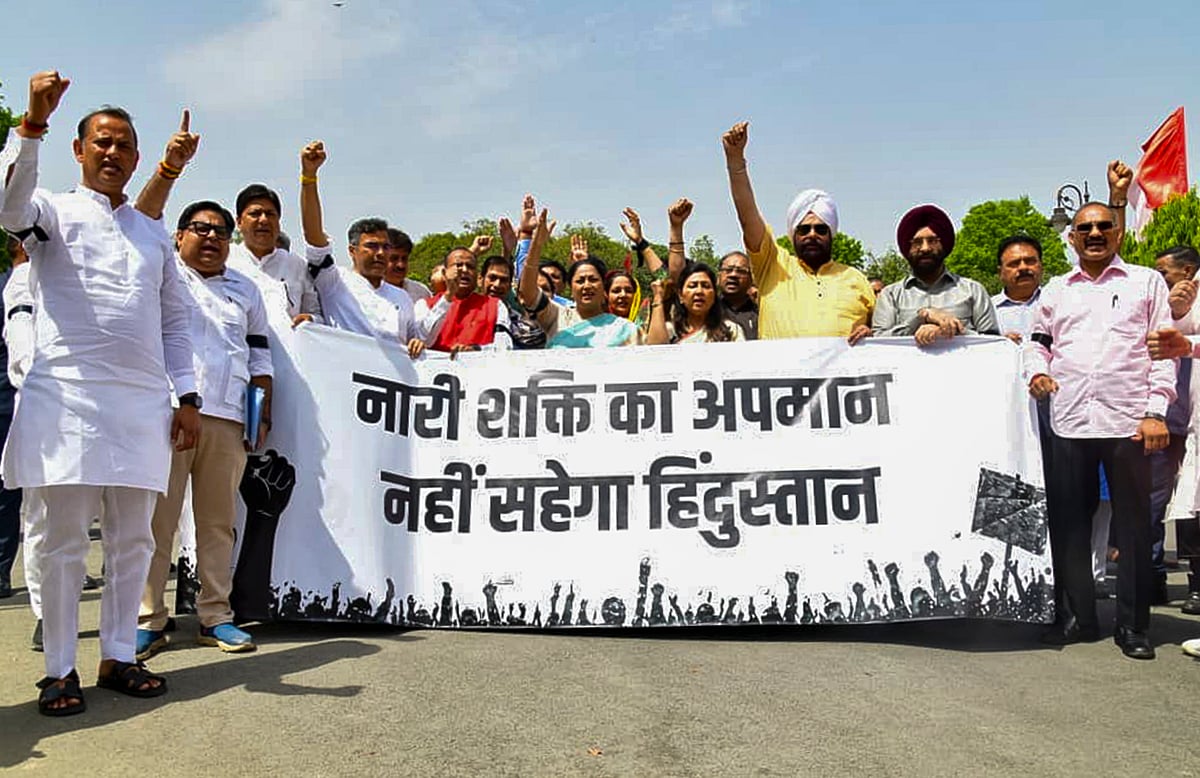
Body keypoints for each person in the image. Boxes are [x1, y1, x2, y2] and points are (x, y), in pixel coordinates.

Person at [0, 70, 201, 714]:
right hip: (68, 398)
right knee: (62, 542)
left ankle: (118, 655)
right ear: (80, 150)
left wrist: (188, 397)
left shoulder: (152, 235)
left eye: (124, 146)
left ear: (136, 158)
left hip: (142, 402)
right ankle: (59, 668)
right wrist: (29, 126)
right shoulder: (51, 211)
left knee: (134, 541)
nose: (112, 153)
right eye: (102, 143)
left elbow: (175, 321)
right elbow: (7, 208)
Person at [1028, 178, 1173, 659]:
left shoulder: (1144, 282)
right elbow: (1038, 341)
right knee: (1069, 523)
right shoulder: (1055, 289)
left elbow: (1164, 351)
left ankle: (1133, 626)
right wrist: (1037, 373)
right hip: (1069, 421)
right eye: (1084, 228)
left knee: (1132, 526)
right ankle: (1077, 616)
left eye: (1102, 227)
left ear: (1117, 234)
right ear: (1071, 238)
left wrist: (1156, 411)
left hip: (1129, 422)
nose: (1093, 234)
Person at [138, 201, 272, 659]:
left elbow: (259, 354)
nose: (212, 238)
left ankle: (215, 616)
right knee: (157, 522)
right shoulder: (162, 278)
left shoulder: (246, 290)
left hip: (228, 418)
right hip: (169, 414)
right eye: (201, 228)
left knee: (218, 525)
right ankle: (147, 620)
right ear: (179, 236)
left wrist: (262, 408)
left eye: (221, 232)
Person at [721, 121, 874, 344]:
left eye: (821, 229)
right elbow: (747, 215)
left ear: (832, 234)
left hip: (839, 379)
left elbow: (884, 335)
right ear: (793, 235)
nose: (812, 234)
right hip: (780, 379)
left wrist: (872, 337)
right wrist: (736, 162)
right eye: (804, 229)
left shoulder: (856, 279)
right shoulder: (773, 265)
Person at [297, 141, 424, 357]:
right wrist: (309, 177)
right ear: (352, 251)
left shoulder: (402, 298)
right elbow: (314, 236)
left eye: (385, 247)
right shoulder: (335, 282)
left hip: (390, 385)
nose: (380, 253)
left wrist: (415, 344)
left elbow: (414, 341)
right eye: (372, 246)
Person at [1146, 245, 1200, 615]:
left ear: (1188, 272)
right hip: (1164, 417)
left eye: (1164, 273)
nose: (1159, 280)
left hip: (1193, 420)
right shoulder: (1163, 302)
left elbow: (1186, 341)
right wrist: (1177, 311)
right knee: (1155, 501)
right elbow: (1164, 338)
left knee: (1194, 506)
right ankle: (1151, 577)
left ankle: (1197, 584)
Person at [873, 204, 999, 344]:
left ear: (944, 244)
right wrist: (922, 317)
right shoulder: (890, 295)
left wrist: (947, 330)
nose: (925, 248)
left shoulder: (973, 290)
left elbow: (992, 342)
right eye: (917, 242)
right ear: (907, 248)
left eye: (932, 241)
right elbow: (879, 341)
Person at [518, 208, 643, 348]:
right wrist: (536, 245)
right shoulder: (557, 316)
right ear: (571, 289)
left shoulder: (625, 329)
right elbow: (527, 293)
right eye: (580, 281)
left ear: (604, 289)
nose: (587, 285)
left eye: (593, 279)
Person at [226, 183, 322, 326]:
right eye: (255, 214)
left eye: (270, 214)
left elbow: (317, 315)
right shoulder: (225, 260)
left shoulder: (296, 265)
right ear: (239, 222)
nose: (264, 220)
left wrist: (310, 319)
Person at [414, 246, 513, 354]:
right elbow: (422, 340)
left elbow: (504, 346)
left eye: (470, 267)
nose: (465, 270)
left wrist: (476, 350)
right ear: (444, 273)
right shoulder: (424, 305)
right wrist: (448, 296)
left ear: (477, 275)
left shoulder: (496, 306)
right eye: (458, 265)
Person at [660, 262, 745, 344]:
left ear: (715, 294)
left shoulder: (731, 330)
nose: (699, 291)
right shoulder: (669, 331)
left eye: (706, 286)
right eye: (692, 286)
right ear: (680, 296)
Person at [384, 227, 432, 305]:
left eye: (404, 259)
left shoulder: (421, 292)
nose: (401, 265)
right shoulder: (367, 293)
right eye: (394, 258)